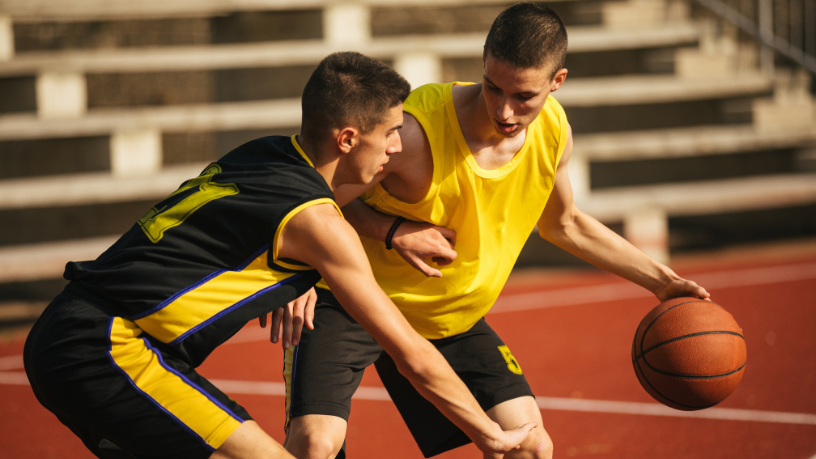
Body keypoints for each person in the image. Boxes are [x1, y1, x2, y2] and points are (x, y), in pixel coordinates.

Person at [23, 52, 534, 459]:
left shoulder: (262, 153)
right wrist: (487, 433)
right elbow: (411, 355)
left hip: (71, 329)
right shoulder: (318, 223)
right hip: (110, 347)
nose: (397, 147)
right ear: (347, 138)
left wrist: (298, 279)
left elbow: (230, 241)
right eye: (390, 132)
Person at [281, 4, 711, 459]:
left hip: (451, 317)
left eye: (523, 96)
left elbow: (564, 224)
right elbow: (311, 195)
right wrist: (384, 231)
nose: (504, 109)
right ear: (483, 61)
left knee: (529, 447)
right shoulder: (413, 133)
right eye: (492, 86)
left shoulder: (553, 132)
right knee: (315, 445)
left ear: (557, 81)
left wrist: (662, 282)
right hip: (351, 302)